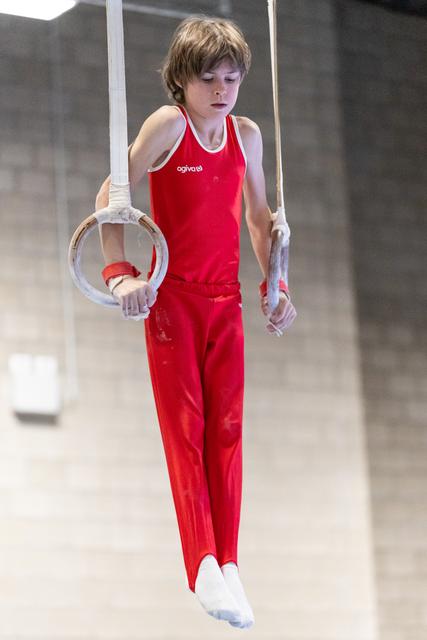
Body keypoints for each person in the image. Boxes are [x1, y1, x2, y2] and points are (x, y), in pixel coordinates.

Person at [95, 15, 297, 629]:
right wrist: (121, 274)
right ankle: (202, 561)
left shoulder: (248, 136)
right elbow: (113, 196)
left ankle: (230, 561)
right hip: (172, 298)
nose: (221, 89)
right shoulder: (168, 126)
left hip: (224, 300)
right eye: (208, 77)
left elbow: (260, 218)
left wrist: (276, 283)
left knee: (228, 431)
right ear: (180, 80)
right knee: (187, 428)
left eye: (232, 78)